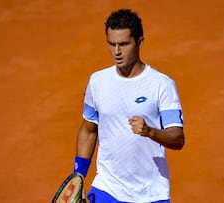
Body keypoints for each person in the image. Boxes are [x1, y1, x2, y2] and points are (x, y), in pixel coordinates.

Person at [73, 8, 185, 203]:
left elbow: (178, 138)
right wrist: (79, 176)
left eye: (124, 44)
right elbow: (89, 130)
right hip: (107, 188)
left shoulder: (161, 84)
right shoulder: (98, 81)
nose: (116, 51)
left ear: (139, 42)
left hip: (151, 193)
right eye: (112, 44)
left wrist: (150, 131)